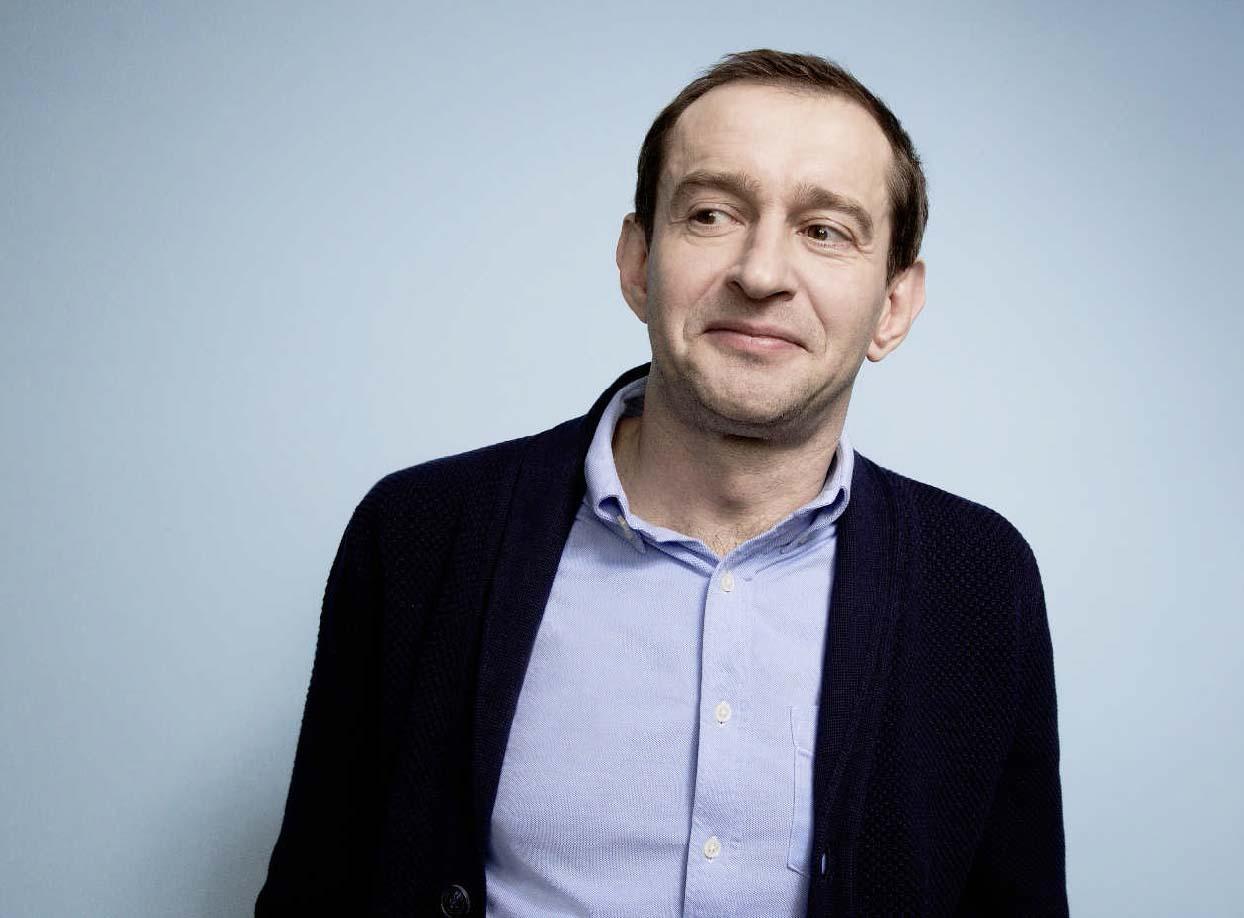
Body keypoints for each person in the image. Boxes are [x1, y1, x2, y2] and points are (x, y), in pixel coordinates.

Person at [256, 49, 1068, 917]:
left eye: (825, 230)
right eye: (712, 214)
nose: (761, 274)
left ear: (894, 306)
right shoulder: (419, 533)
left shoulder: (981, 580)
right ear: (638, 261)